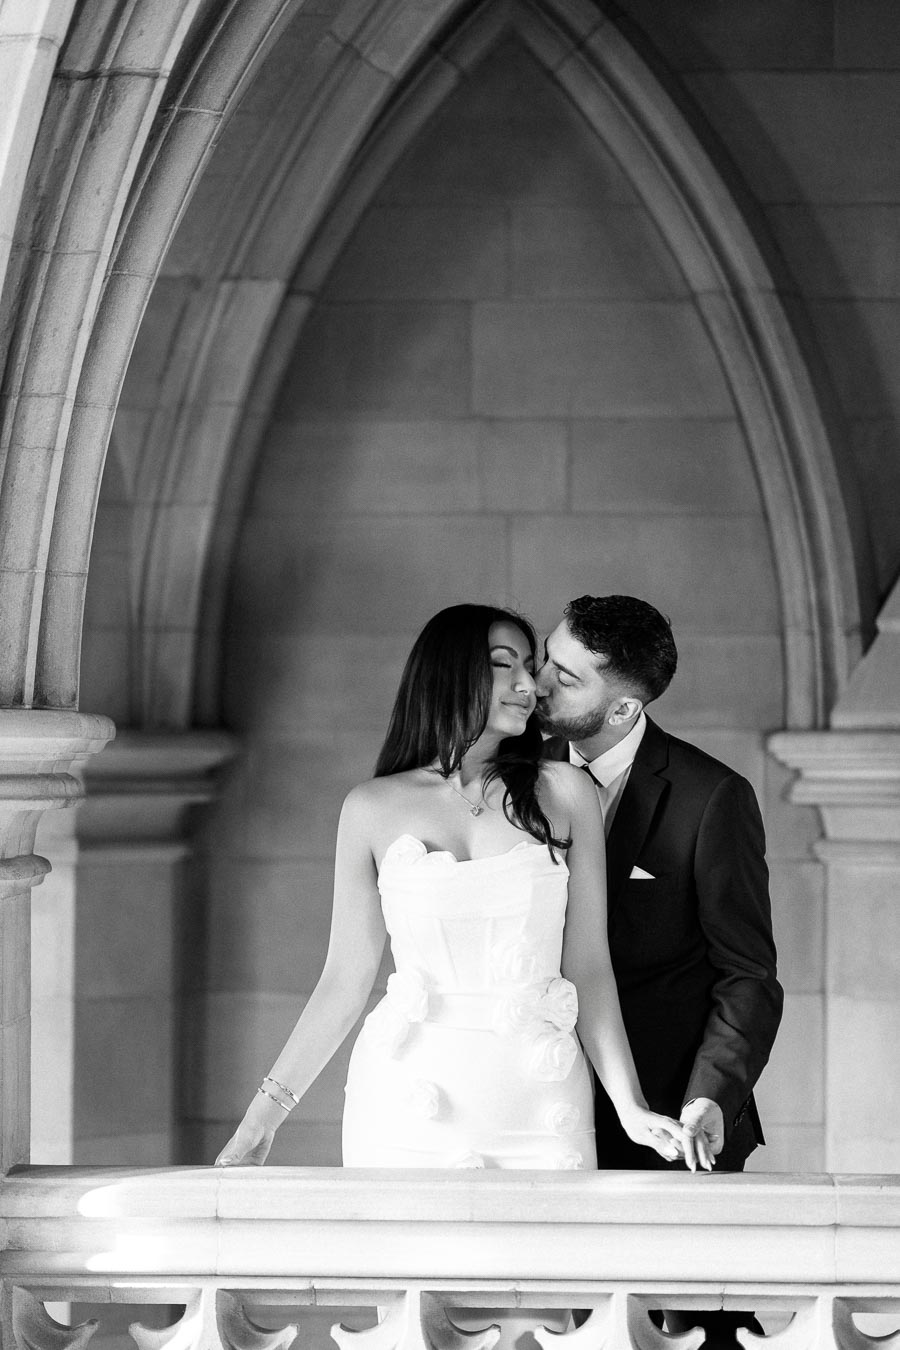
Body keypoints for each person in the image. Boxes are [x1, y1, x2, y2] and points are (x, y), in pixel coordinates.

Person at [216, 603, 687, 1174]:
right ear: (448, 672)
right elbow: (343, 981)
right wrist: (259, 1123)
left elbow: (588, 968)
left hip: (539, 1095)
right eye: (502, 664)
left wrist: (631, 1107)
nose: (528, 685)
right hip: (406, 1095)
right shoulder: (370, 807)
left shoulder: (565, 792)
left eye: (531, 666)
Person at [536, 594, 784, 1346]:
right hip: (536, 1107)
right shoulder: (507, 781)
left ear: (622, 709)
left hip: (674, 1125)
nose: (538, 684)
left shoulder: (713, 799)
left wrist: (712, 1096)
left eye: (567, 676)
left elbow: (748, 976)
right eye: (547, 658)